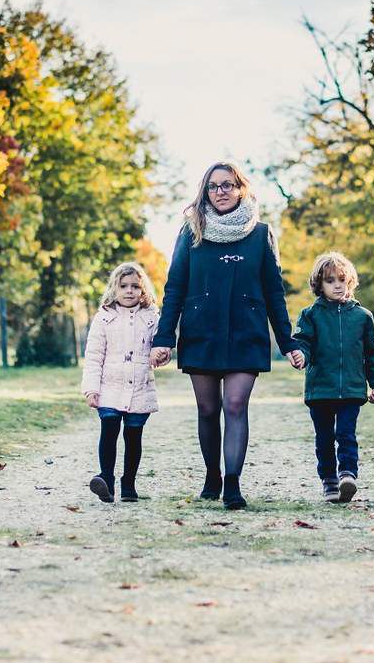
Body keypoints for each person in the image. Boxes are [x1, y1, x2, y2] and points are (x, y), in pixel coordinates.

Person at [150, 162, 304, 509]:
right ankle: (212, 474)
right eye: (213, 186)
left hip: (246, 330)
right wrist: (164, 338)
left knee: (235, 404)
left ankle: (232, 483)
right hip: (201, 329)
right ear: (205, 192)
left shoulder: (261, 233)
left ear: (240, 189)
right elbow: (174, 287)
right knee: (208, 408)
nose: (221, 192)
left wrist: (288, 342)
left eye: (228, 185)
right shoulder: (191, 232)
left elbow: (274, 292)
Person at [292, 251, 374, 504]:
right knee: (324, 438)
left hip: (352, 390)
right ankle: (329, 480)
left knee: (346, 434)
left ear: (350, 282)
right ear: (319, 285)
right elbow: (303, 343)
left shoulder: (363, 317)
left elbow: (372, 352)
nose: (337, 285)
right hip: (320, 389)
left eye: (342, 280)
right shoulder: (310, 315)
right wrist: (301, 355)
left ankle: (347, 476)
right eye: (330, 280)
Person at [81, 262, 160, 503]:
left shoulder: (152, 317)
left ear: (143, 290)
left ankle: (129, 483)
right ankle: (106, 479)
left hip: (139, 387)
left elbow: (160, 346)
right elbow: (94, 356)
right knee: (109, 431)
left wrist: (161, 353)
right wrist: (91, 388)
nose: (129, 291)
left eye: (135, 286)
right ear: (114, 289)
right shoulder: (104, 317)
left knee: (133, 437)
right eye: (123, 286)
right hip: (109, 387)